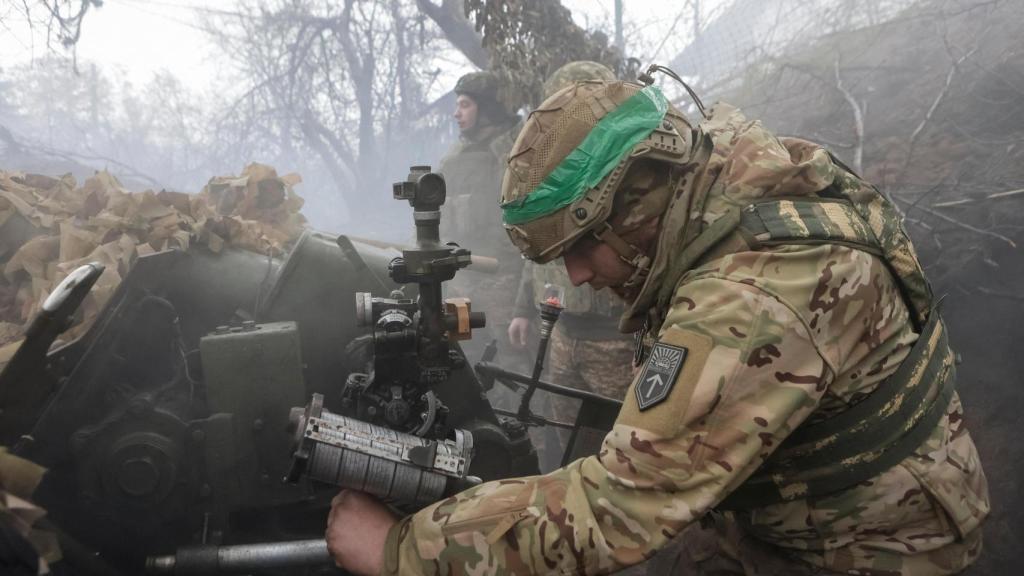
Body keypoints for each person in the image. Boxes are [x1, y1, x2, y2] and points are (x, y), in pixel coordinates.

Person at [326, 78, 989, 575]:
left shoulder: (752, 300)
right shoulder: (718, 180)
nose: (579, 276)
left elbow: (615, 509)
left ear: (637, 200)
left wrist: (399, 549)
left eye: (584, 244)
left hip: (875, 544)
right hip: (793, 500)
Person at [507, 62, 636, 468]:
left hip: (614, 338)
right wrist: (522, 310)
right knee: (563, 439)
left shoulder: (627, 163)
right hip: (562, 332)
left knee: (622, 442)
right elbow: (537, 248)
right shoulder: (544, 170)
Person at [437, 71, 523, 368]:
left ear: (487, 109)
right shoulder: (454, 158)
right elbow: (431, 215)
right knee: (460, 356)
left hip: (504, 281)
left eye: (465, 105)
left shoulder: (516, 154)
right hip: (461, 280)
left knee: (511, 364)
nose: (456, 113)